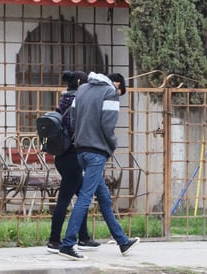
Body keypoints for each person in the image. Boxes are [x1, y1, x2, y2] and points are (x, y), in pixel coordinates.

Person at [58, 72, 139, 261]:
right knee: (85, 197)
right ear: (116, 84)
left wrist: (80, 139)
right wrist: (111, 145)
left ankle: (122, 241)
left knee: (103, 199)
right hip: (97, 152)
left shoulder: (82, 89)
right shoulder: (109, 92)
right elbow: (108, 124)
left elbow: (74, 119)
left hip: (80, 151)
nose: (118, 93)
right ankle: (68, 244)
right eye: (120, 90)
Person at [46, 71, 101, 253]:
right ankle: (54, 241)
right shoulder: (76, 102)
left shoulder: (63, 101)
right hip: (71, 156)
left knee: (82, 197)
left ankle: (84, 238)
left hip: (62, 156)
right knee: (64, 199)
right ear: (80, 85)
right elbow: (77, 128)